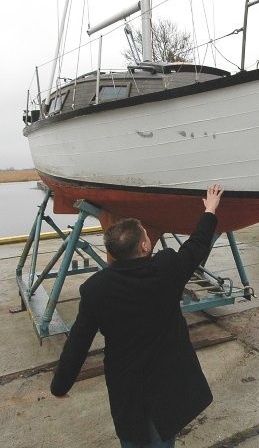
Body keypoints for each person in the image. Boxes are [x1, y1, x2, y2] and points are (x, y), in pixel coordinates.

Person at [50, 184, 224, 448]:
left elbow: (78, 342)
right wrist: (210, 210)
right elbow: (196, 246)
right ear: (144, 245)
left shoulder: (96, 289)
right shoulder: (166, 270)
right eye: (147, 235)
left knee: (132, 439)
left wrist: (60, 386)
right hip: (166, 386)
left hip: (126, 389)